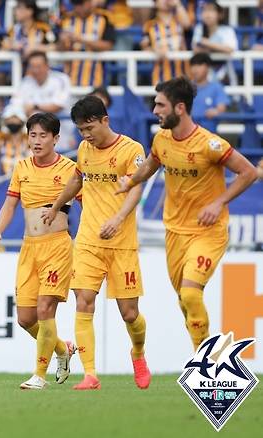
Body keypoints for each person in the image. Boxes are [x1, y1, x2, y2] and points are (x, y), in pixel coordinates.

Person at [116, 77, 258, 352]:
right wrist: (131, 182)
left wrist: (218, 203)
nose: (155, 111)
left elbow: (249, 172)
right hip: (175, 232)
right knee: (184, 299)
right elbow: (150, 165)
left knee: (192, 294)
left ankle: (204, 363)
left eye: (160, 105)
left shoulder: (210, 144)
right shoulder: (161, 140)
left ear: (179, 108)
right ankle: (208, 354)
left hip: (208, 231)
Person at [43, 96, 151, 391]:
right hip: (89, 240)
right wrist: (56, 206)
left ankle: (138, 353)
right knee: (83, 301)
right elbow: (77, 180)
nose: (86, 135)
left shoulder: (132, 150)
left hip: (122, 242)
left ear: (105, 120)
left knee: (129, 314)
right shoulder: (84, 149)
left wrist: (118, 219)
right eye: (81, 130)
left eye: (90, 127)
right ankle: (90, 374)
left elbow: (135, 190)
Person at [0, 113, 77, 390]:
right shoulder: (22, 167)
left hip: (57, 246)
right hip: (30, 248)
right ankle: (62, 349)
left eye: (43, 135)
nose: (36, 141)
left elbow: (89, 204)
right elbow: (10, 204)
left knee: (44, 310)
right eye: (33, 135)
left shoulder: (70, 169)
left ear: (55, 138)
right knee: (26, 318)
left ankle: (39, 376)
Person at [9, 51, 74, 151]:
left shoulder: (61, 79)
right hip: (35, 138)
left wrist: (35, 106)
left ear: (47, 66)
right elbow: (15, 106)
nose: (35, 70)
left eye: (39, 66)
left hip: (62, 134)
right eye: (32, 67)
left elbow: (58, 106)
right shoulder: (26, 82)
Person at [58, 0, 116, 87]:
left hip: (95, 80)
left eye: (81, 3)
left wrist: (81, 40)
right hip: (70, 81)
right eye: (75, 4)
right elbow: (59, 48)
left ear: (89, 2)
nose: (78, 7)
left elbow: (108, 46)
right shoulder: (66, 20)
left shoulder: (103, 19)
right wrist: (62, 41)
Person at [141, 0, 192, 85]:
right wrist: (154, 49)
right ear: (155, 3)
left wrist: (177, 4)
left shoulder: (179, 20)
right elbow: (144, 46)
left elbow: (187, 25)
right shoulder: (149, 25)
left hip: (183, 75)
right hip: (161, 76)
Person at [191, 0, 238, 85]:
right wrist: (218, 48)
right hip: (205, 73)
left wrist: (206, 43)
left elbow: (229, 49)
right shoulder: (199, 28)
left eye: (211, 10)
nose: (207, 14)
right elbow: (196, 49)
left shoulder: (227, 30)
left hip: (224, 72)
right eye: (204, 10)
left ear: (219, 14)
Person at [189, 53, 229, 133]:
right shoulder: (185, 87)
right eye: (193, 65)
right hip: (187, 136)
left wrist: (216, 111)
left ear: (207, 67)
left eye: (199, 65)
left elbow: (222, 107)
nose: (195, 69)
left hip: (209, 136)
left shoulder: (216, 87)